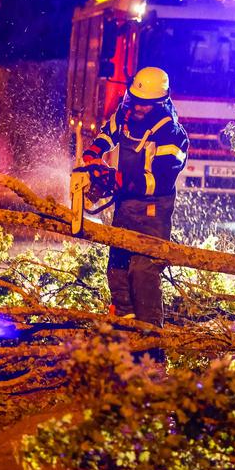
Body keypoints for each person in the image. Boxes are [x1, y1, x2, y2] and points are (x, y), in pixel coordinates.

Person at [82, 67, 189, 326]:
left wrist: (119, 181)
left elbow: (160, 180)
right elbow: (110, 130)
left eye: (145, 105)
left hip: (153, 212)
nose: (138, 108)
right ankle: (123, 330)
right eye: (136, 102)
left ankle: (151, 342)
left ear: (160, 102)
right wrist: (95, 153)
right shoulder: (127, 113)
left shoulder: (172, 135)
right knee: (117, 269)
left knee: (142, 272)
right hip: (126, 206)